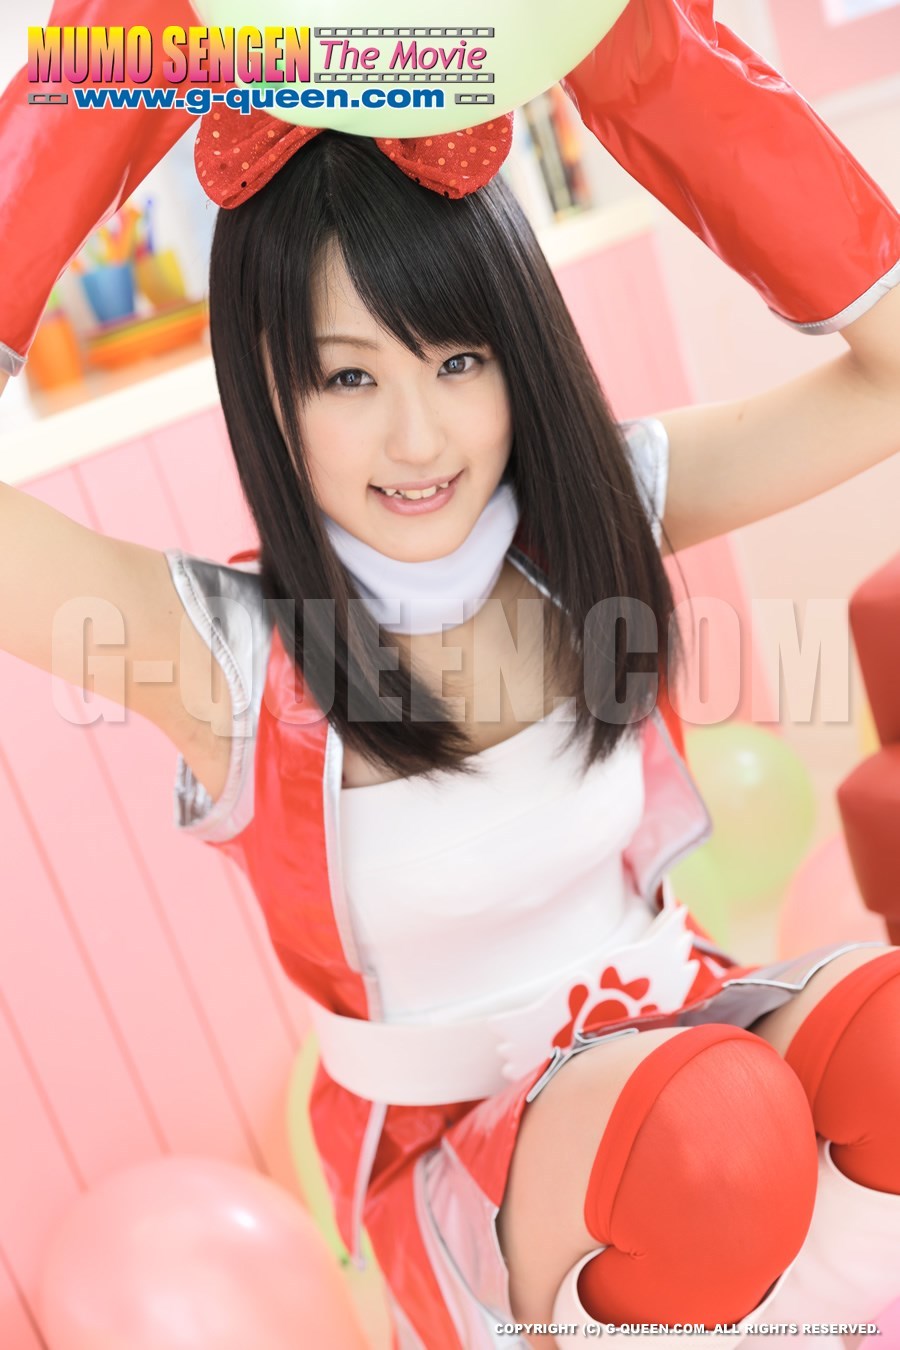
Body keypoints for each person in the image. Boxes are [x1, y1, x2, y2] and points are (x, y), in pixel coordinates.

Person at [2, 5, 900, 1349]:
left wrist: (644, 66)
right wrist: (124, 61)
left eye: (458, 361)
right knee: (709, 1131)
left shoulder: (593, 519)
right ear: (265, 387)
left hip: (689, 1050)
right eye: (346, 376)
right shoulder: (221, 654)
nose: (419, 438)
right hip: (488, 1172)